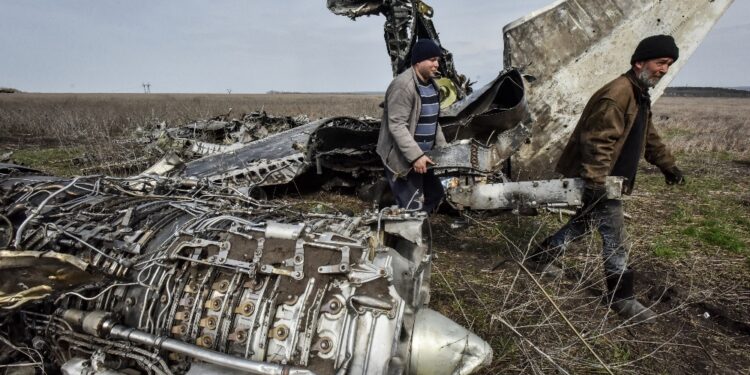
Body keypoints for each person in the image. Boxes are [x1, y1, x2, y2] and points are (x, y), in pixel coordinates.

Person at [531, 35, 686, 322]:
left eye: (669, 64)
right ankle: (622, 298)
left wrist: (668, 166)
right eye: (660, 62)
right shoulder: (619, 94)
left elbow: (647, 135)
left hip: (608, 179)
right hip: (601, 179)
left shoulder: (638, 93)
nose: (664, 69)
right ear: (640, 61)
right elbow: (597, 142)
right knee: (615, 237)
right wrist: (595, 183)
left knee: (583, 223)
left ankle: (541, 257)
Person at [376, 39, 447, 212]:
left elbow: (432, 120)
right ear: (418, 61)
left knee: (436, 194)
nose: (436, 64)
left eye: (437, 60)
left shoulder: (432, 85)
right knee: (411, 207)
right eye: (431, 60)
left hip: (425, 156)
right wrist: (415, 157)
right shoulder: (403, 86)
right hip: (403, 158)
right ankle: (406, 236)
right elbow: (397, 125)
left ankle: (419, 226)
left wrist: (444, 149)